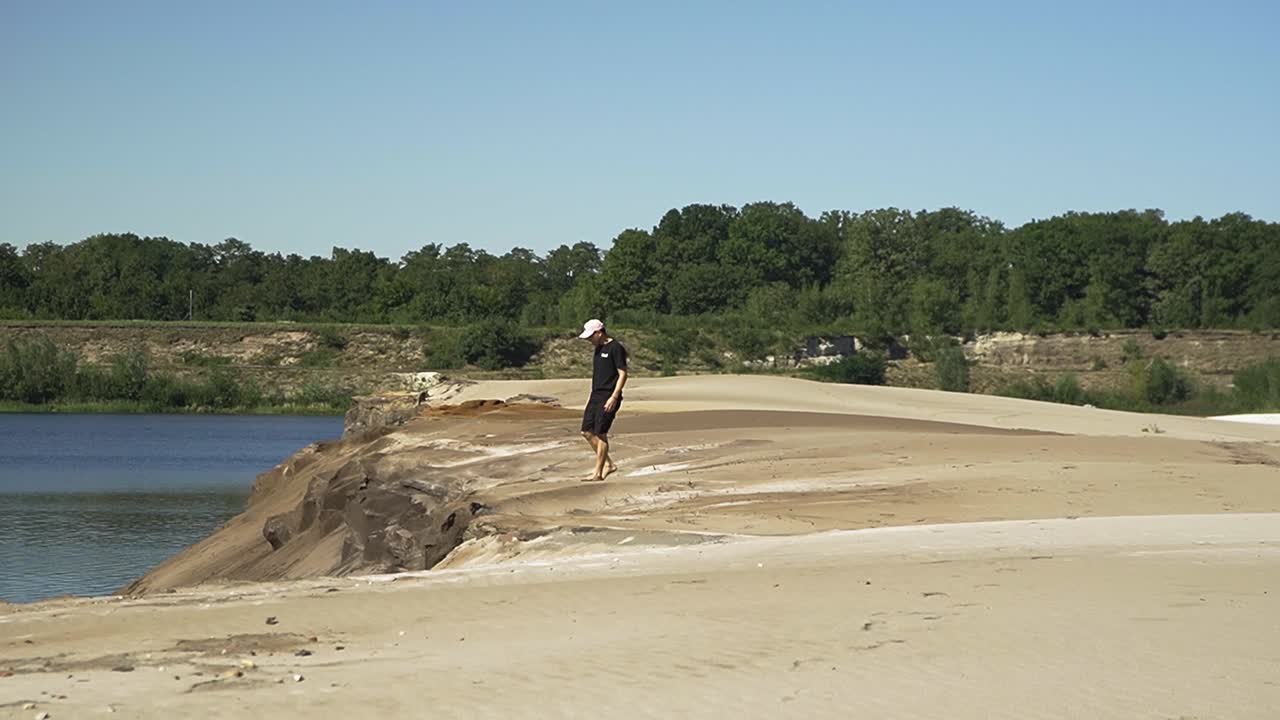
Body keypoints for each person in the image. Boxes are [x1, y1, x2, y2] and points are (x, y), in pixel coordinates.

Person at [578, 318, 627, 482]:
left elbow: (622, 374)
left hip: (609, 395)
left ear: (599, 333)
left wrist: (614, 396)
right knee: (586, 431)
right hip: (595, 395)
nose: (589, 340)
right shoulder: (598, 348)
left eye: (591, 336)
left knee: (601, 433)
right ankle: (609, 465)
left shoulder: (616, 348)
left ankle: (598, 473)